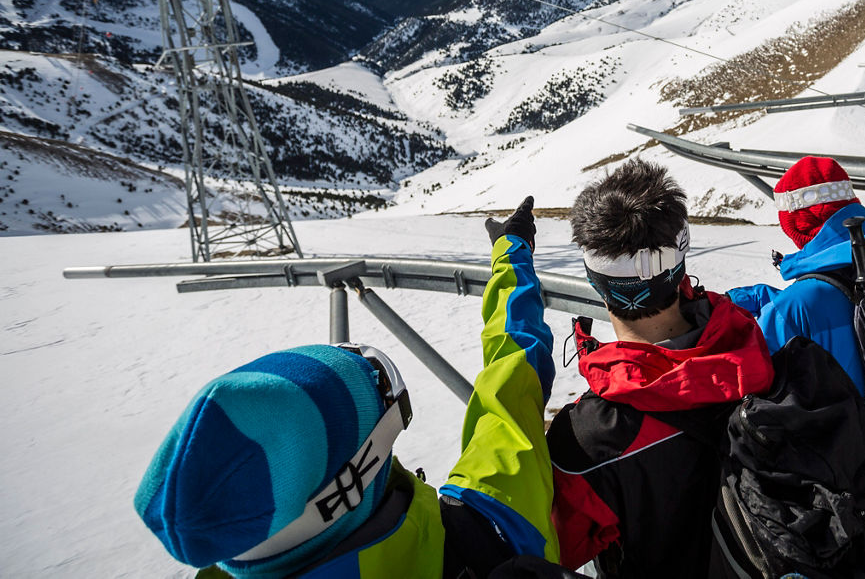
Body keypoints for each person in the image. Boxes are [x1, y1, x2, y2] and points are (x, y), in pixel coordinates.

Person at [134, 198, 586, 579]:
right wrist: (512, 249)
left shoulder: (230, 542)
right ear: (357, 475)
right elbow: (513, 371)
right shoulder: (488, 534)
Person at [545, 159, 775, 578]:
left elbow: (550, 545)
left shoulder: (591, 438)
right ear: (680, 263)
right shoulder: (759, 357)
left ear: (596, 283)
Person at [726, 155, 865, 392]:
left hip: (848, 428)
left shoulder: (790, 309)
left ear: (796, 223)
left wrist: (779, 311)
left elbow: (757, 392)